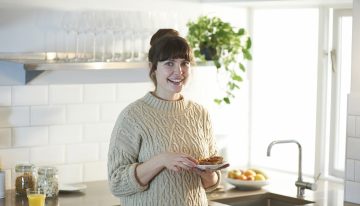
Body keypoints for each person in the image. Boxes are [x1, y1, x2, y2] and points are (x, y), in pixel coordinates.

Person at [107, 29, 223, 206]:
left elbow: (212, 183)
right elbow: (116, 183)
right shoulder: (132, 116)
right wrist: (160, 160)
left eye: (184, 63)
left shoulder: (200, 114)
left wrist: (210, 175)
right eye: (169, 63)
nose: (179, 71)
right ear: (153, 68)